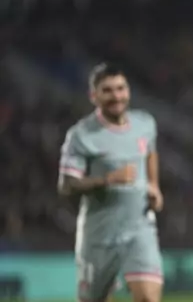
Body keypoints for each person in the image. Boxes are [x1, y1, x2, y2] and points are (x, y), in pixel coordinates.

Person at [58, 63, 164, 302]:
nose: (116, 96)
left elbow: (150, 152)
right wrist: (107, 179)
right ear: (93, 96)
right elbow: (66, 184)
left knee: (149, 297)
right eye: (108, 90)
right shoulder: (81, 135)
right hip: (99, 235)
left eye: (121, 88)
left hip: (140, 228)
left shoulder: (145, 124)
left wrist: (154, 185)